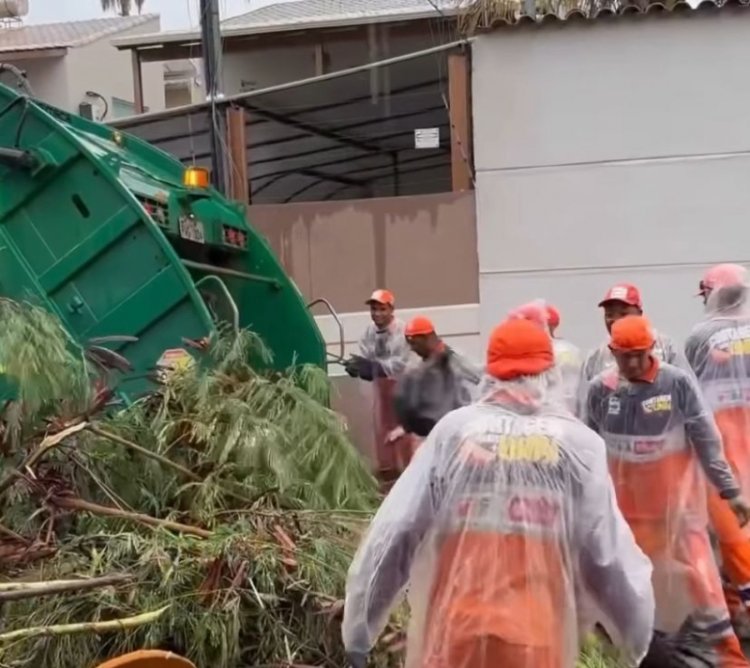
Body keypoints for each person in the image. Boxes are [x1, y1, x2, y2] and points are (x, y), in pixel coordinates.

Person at [343, 318, 655, 668]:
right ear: (549, 374)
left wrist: (359, 630)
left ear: (491, 372)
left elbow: (397, 532)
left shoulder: (454, 433)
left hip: (452, 636)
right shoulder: (579, 446)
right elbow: (608, 559)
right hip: (534, 643)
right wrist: (636, 641)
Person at [585, 314, 750, 666]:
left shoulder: (676, 384)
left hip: (678, 517)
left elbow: (706, 439)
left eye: (639, 355)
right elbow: (591, 447)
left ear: (652, 349)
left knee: (703, 592)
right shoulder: (601, 389)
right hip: (629, 521)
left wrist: (730, 491)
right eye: (623, 355)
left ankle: (728, 660)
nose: (631, 363)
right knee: (633, 598)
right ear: (612, 352)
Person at [685, 263, 750, 636]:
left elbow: (691, 398)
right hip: (733, 445)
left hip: (720, 452)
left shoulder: (700, 336)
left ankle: (734, 618)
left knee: (726, 535)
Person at [344, 289, 413, 481]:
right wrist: (357, 366)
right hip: (381, 390)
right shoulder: (369, 331)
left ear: (391, 309)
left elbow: (400, 364)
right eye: (374, 309)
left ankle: (411, 472)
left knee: (404, 432)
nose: (377, 314)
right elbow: (365, 354)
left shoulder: (403, 331)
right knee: (382, 430)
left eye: (382, 309)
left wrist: (374, 368)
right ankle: (388, 473)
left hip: (403, 388)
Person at [392, 316, 482, 439]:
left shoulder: (453, 358)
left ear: (426, 338)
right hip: (435, 431)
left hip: (458, 430)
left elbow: (479, 378)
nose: (412, 349)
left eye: (414, 343)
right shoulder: (421, 365)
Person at [580, 283, 686, 385]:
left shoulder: (666, 347)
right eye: (609, 314)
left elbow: (685, 388)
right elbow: (585, 399)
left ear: (640, 314)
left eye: (623, 313)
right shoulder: (596, 357)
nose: (615, 320)